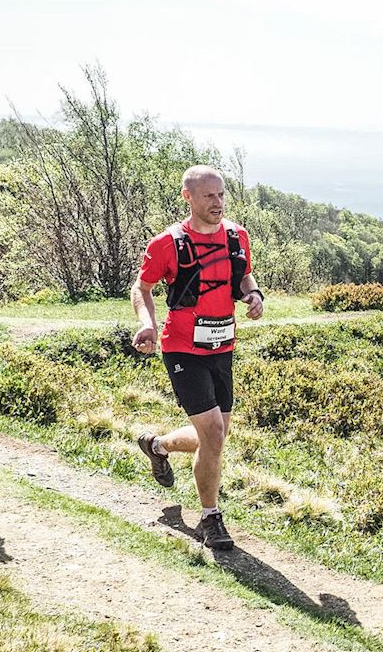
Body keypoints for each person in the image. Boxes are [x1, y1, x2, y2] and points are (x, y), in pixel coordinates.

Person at [131, 165, 264, 551]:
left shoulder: (238, 237)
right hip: (182, 348)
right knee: (214, 435)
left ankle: (156, 446)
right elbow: (143, 287)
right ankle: (210, 518)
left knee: (216, 437)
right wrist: (147, 325)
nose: (218, 203)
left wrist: (253, 295)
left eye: (221, 195)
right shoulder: (166, 244)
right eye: (209, 196)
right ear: (188, 197)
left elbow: (243, 277)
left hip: (223, 347)